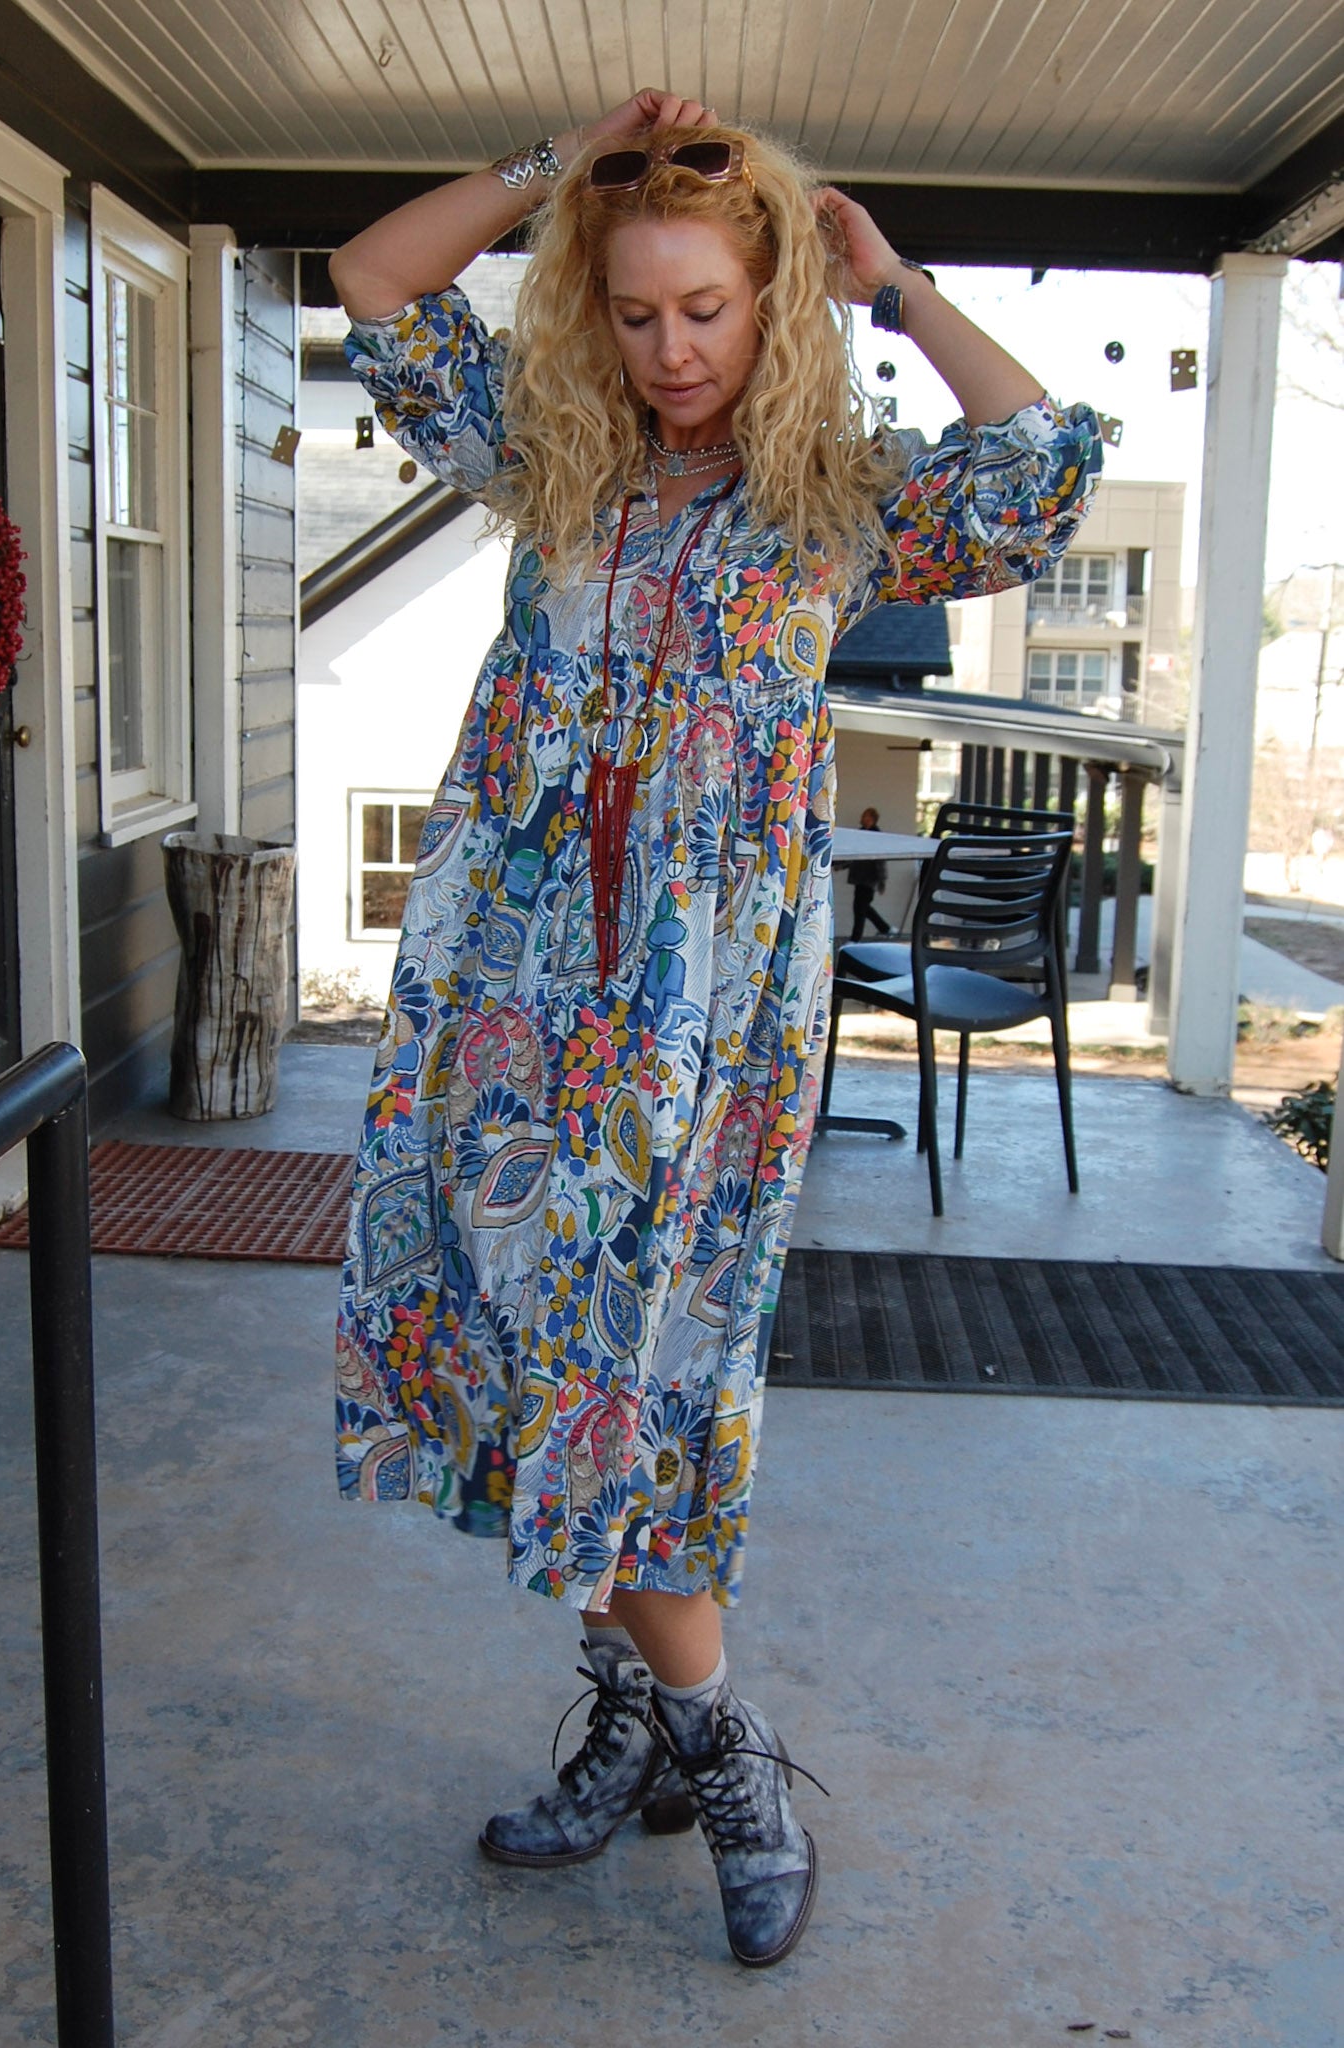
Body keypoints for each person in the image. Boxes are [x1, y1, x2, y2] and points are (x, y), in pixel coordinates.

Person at [329, 87, 1100, 1967]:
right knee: (537, 1369)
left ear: (770, 306)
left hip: (701, 1026)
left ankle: (726, 1753)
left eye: (707, 309)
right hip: (508, 1001)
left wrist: (893, 283)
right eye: (636, 310)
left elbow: (1045, 465)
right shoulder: (557, 459)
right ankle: (648, 1733)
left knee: (651, 1381)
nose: (672, 349)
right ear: (592, 312)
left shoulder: (839, 498)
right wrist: (555, 169)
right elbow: (371, 280)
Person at [848, 804, 892, 941]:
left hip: (870, 877)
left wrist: (882, 880)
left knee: (860, 907)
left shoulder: (876, 835)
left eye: (866, 817)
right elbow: (853, 853)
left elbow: (880, 859)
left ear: (873, 819)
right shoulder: (860, 833)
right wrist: (839, 865)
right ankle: (885, 928)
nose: (863, 819)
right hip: (859, 877)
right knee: (862, 907)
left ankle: (855, 938)